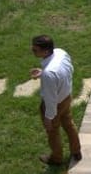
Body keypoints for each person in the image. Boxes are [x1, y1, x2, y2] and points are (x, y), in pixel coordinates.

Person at [30, 34, 81, 166]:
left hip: (55, 104)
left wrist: (48, 118)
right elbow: (66, 71)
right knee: (69, 124)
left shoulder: (49, 74)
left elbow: (50, 99)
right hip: (66, 97)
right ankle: (76, 151)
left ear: (46, 51)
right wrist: (43, 73)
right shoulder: (60, 53)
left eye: (35, 50)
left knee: (53, 132)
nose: (32, 50)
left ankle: (56, 158)